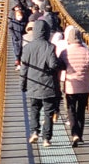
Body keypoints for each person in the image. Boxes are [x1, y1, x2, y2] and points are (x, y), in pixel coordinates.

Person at [20, 20, 62, 148]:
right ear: (47, 32)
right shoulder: (49, 47)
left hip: (33, 84)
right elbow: (53, 64)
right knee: (48, 113)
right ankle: (46, 139)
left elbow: (24, 68)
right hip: (48, 85)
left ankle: (34, 132)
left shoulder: (27, 48)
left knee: (34, 110)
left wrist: (23, 84)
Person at [60, 27, 89, 147]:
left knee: (71, 110)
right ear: (80, 38)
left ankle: (75, 134)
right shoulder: (87, 51)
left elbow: (60, 66)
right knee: (81, 111)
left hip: (70, 86)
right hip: (84, 86)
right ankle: (81, 135)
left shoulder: (65, 52)